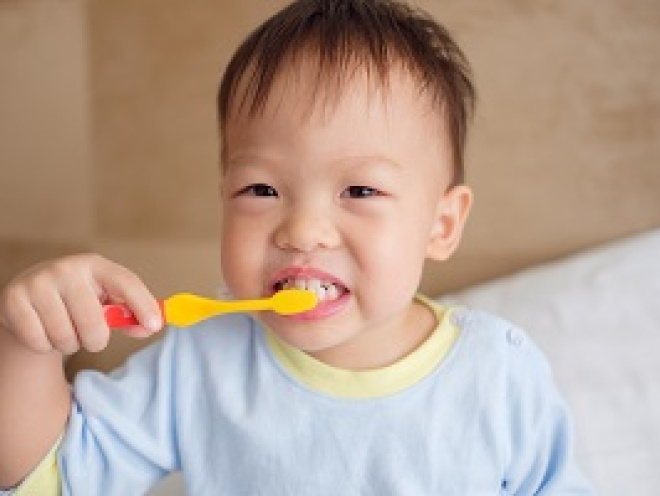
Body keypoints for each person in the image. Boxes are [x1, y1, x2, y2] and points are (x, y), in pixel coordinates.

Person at [0, 0, 592, 494]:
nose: (302, 230)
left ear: (441, 225)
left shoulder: (497, 375)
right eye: (261, 189)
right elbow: (52, 480)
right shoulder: (202, 361)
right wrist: (27, 343)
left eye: (359, 189)